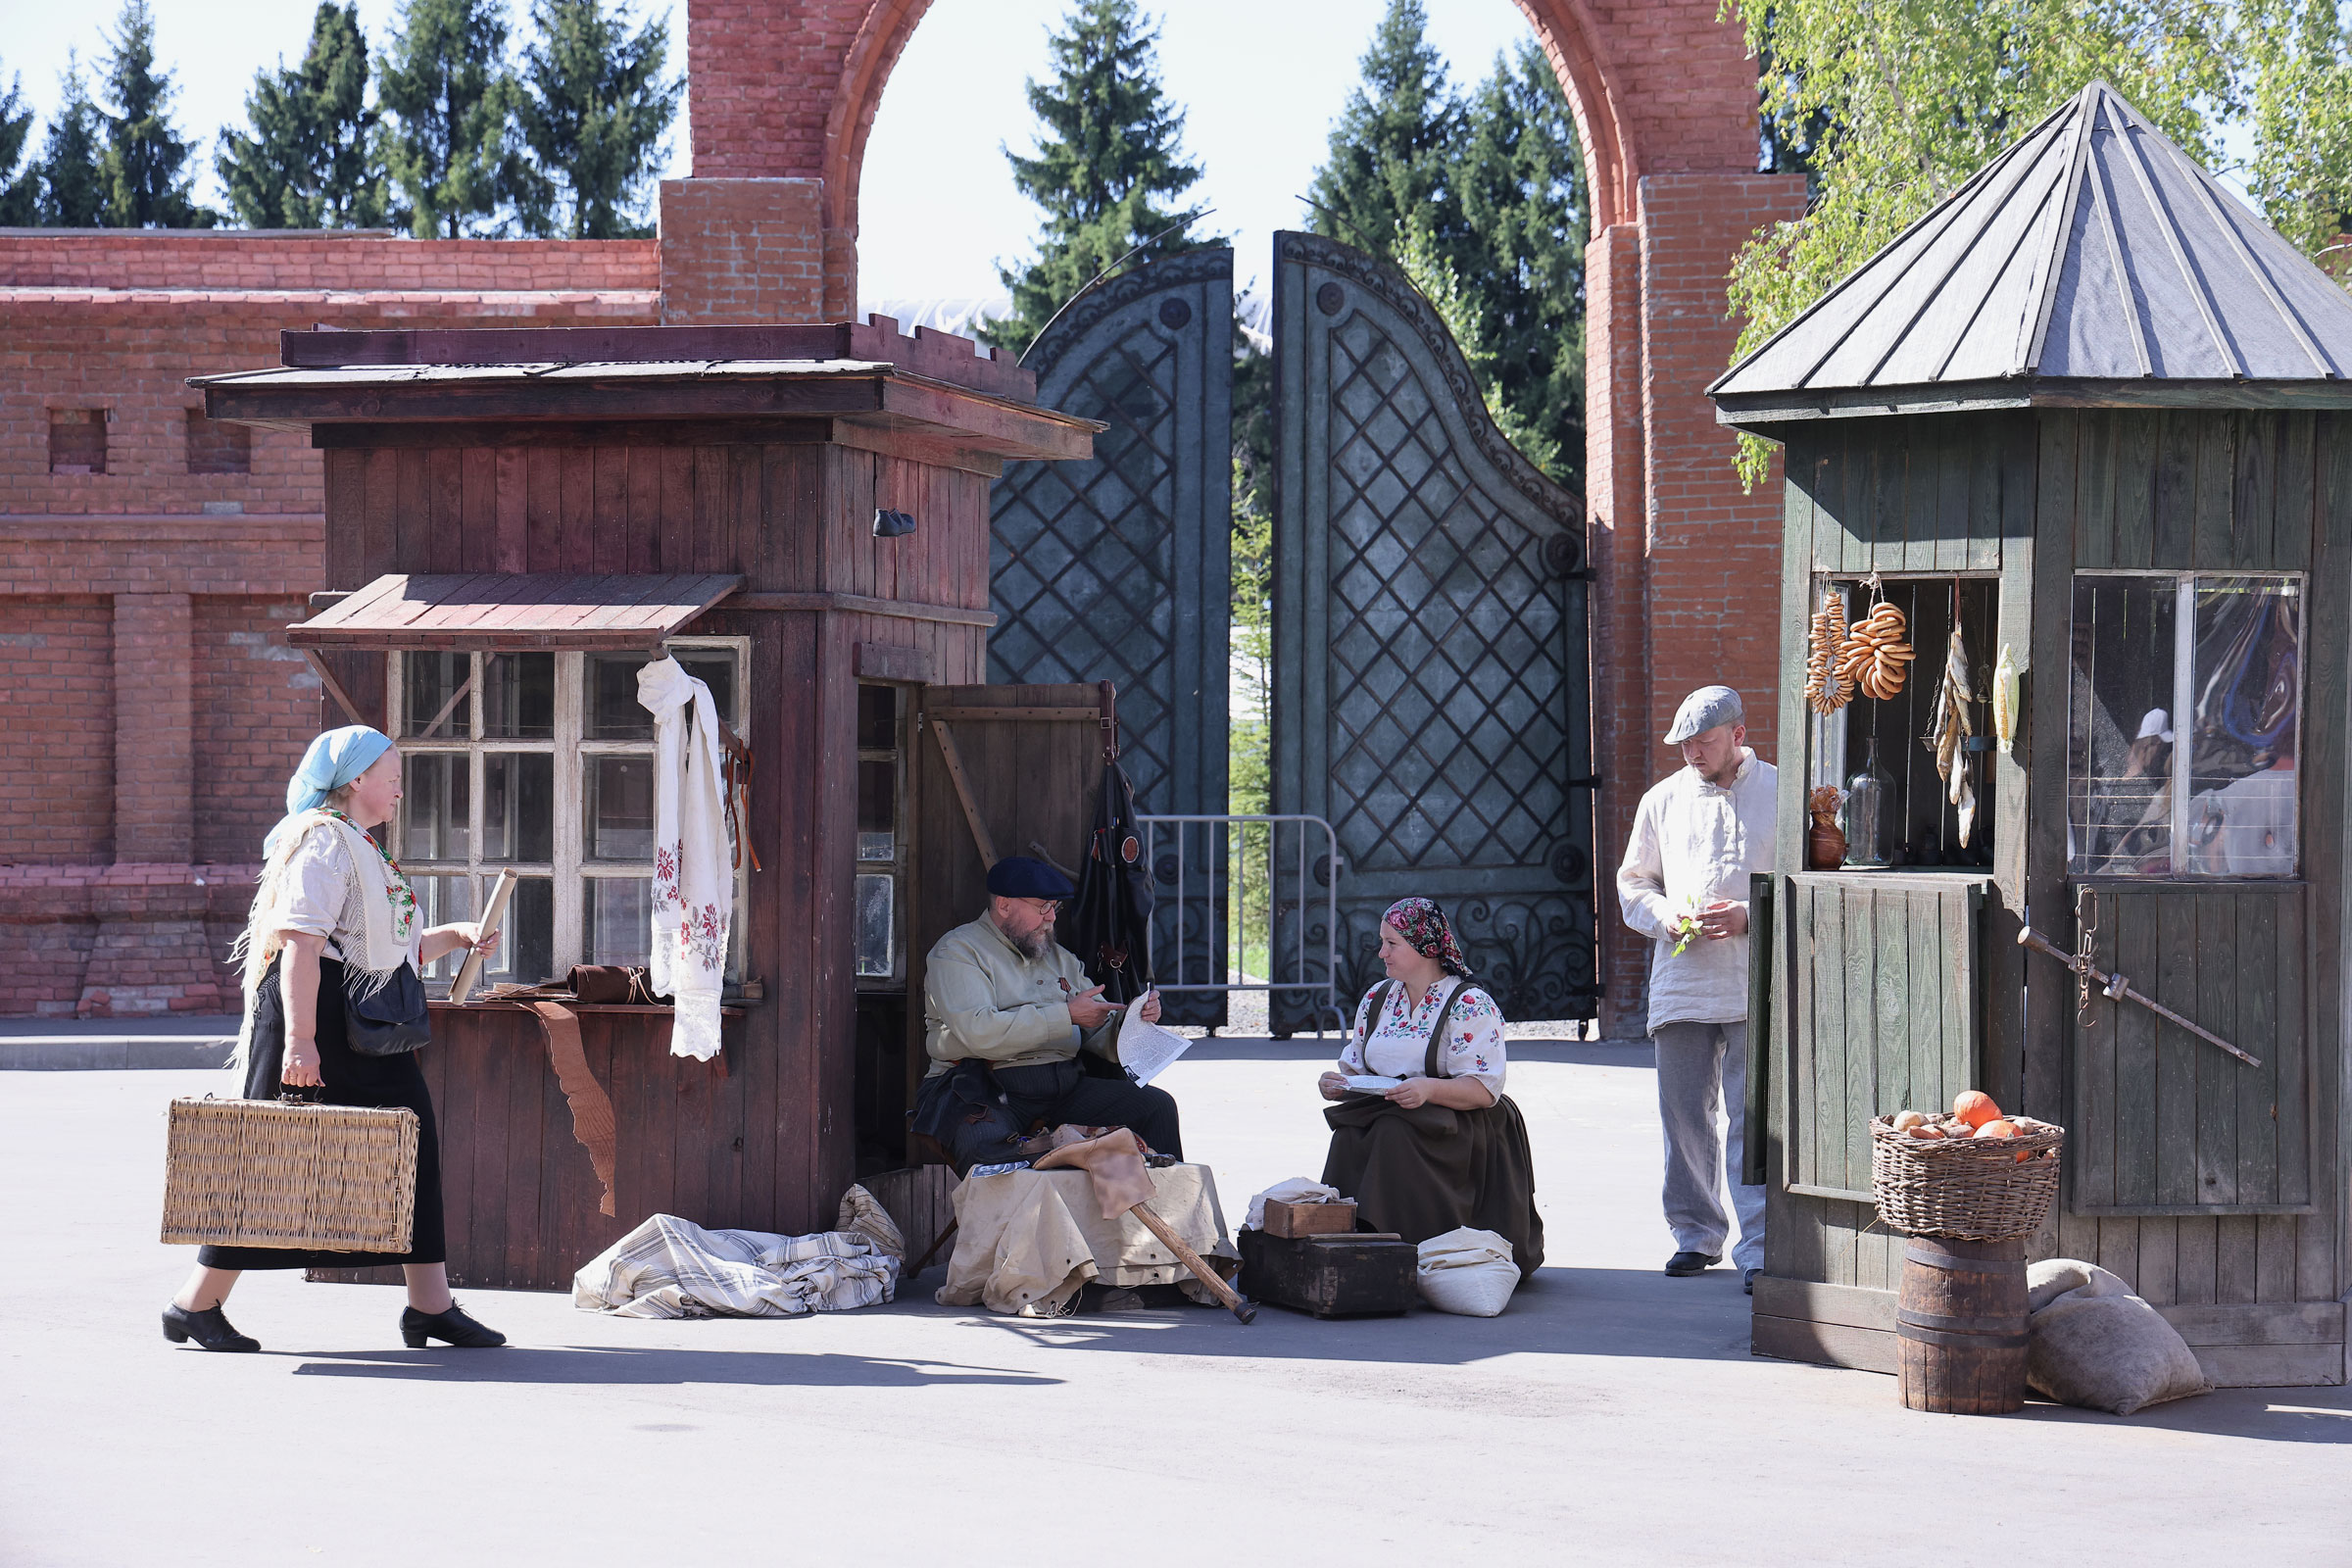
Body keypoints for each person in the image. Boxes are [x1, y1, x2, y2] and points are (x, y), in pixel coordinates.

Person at [162, 726, 505, 1353]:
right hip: (314, 1019)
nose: (402, 786)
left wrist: (454, 935)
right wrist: (299, 1044)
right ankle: (194, 1304)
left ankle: (430, 1307)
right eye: (392, 774)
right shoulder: (321, 842)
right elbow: (300, 944)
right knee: (272, 1159)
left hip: (356, 1021)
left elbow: (379, 952)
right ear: (354, 781)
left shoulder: (363, 848)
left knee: (412, 1146)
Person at [1617, 685, 1773, 1294]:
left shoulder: (1781, 792)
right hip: (1681, 979)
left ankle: (1757, 1245)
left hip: (1752, 980)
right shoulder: (1661, 800)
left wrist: (1749, 916)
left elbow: (1807, 882)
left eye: (1703, 742)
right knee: (1682, 1114)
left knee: (1752, 1119)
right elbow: (1635, 885)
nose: (1692, 754)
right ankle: (1694, 1234)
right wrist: (1667, 917)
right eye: (1684, 745)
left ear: (1738, 734)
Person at [1316, 899, 1543, 1275]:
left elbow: (1485, 1090)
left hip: (1457, 1124)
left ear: (1426, 948)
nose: (1381, 953)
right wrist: (1338, 1083)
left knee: (1393, 1133)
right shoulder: (1377, 999)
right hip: (1394, 1111)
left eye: (1392, 943)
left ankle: (1398, 1253)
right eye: (1382, 942)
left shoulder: (1469, 1003)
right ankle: (1349, 1246)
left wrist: (1428, 1090)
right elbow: (1356, 1065)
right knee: (1349, 1135)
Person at [913, 856, 1179, 1173]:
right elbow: (979, 1033)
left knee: (1156, 1107)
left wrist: (1135, 1021)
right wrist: (1066, 1014)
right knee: (993, 1156)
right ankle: (1016, 1223)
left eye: (1055, 907)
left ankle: (1161, 1217)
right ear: (1004, 905)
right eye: (1042, 907)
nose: (1051, 917)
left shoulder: (1059, 958)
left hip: (1062, 1086)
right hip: (981, 1085)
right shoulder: (958, 952)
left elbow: (1101, 1035)